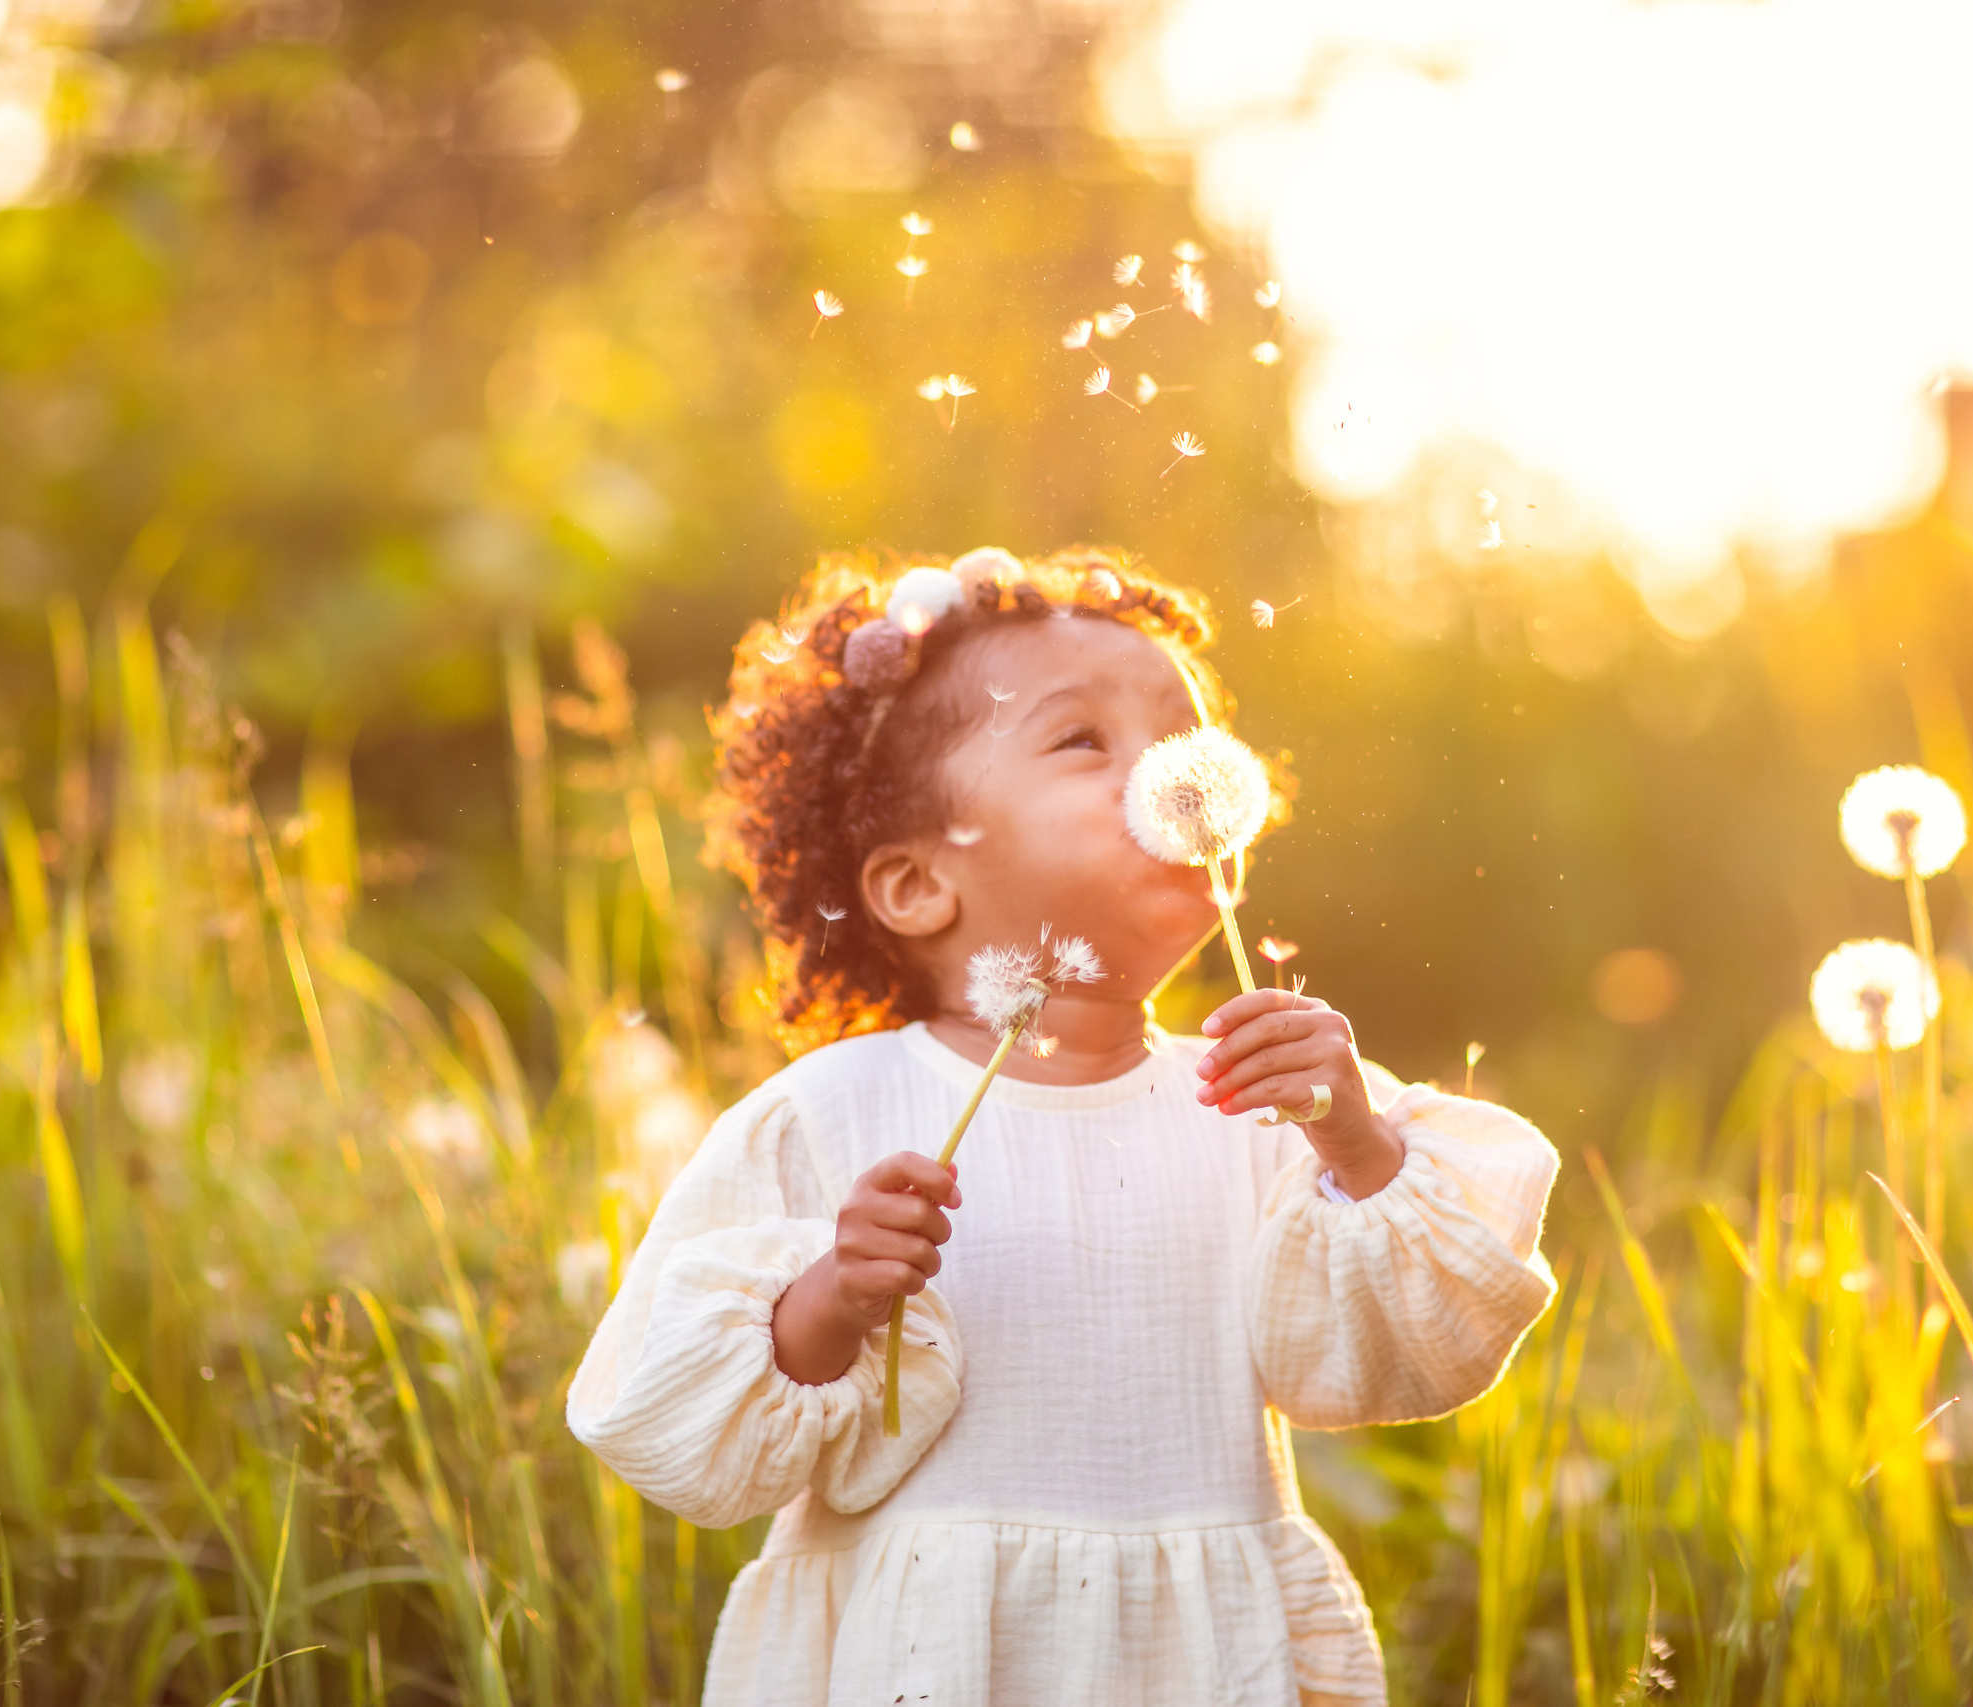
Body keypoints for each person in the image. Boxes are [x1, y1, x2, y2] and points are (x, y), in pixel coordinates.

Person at [566, 545, 1561, 1706]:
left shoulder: (1273, 1106)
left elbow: (1414, 1355)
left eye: (1183, 737)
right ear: (915, 885)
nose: (1169, 774)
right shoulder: (830, 1114)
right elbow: (679, 1427)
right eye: (1083, 740)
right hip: (929, 1661)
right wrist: (832, 1294)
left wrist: (1356, 1146)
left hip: (1203, 1659)